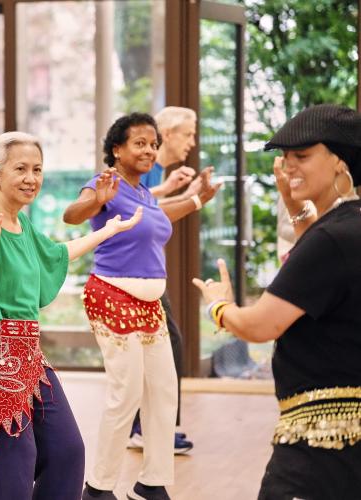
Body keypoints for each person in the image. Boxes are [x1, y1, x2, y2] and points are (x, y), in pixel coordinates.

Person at [0, 131, 143, 500]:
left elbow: (55, 254)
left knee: (67, 453)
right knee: (13, 466)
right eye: (20, 168)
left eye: (37, 169)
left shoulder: (20, 223)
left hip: (27, 356)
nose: (31, 178)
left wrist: (107, 232)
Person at [193, 104, 361, 500]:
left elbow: (259, 326)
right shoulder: (346, 231)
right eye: (285, 159)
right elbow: (320, 266)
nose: (289, 167)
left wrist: (219, 306)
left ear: (340, 162)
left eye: (302, 156)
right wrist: (296, 206)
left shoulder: (332, 240)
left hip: (319, 445)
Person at [63, 112, 219, 500]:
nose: (149, 150)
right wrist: (94, 202)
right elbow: (72, 215)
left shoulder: (145, 193)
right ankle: (97, 488)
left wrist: (198, 198)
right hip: (112, 296)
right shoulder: (107, 185)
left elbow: (159, 215)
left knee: (164, 392)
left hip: (148, 306)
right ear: (116, 149)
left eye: (153, 144)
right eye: (140, 143)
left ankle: (151, 483)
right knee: (126, 394)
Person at [128, 106, 213, 454]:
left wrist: (177, 190)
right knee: (167, 345)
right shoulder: (146, 167)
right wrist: (193, 198)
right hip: (134, 274)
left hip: (143, 273)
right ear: (168, 133)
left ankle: (147, 426)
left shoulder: (156, 173)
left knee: (158, 349)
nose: (191, 143)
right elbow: (141, 211)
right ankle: (149, 428)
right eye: (188, 134)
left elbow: (147, 204)